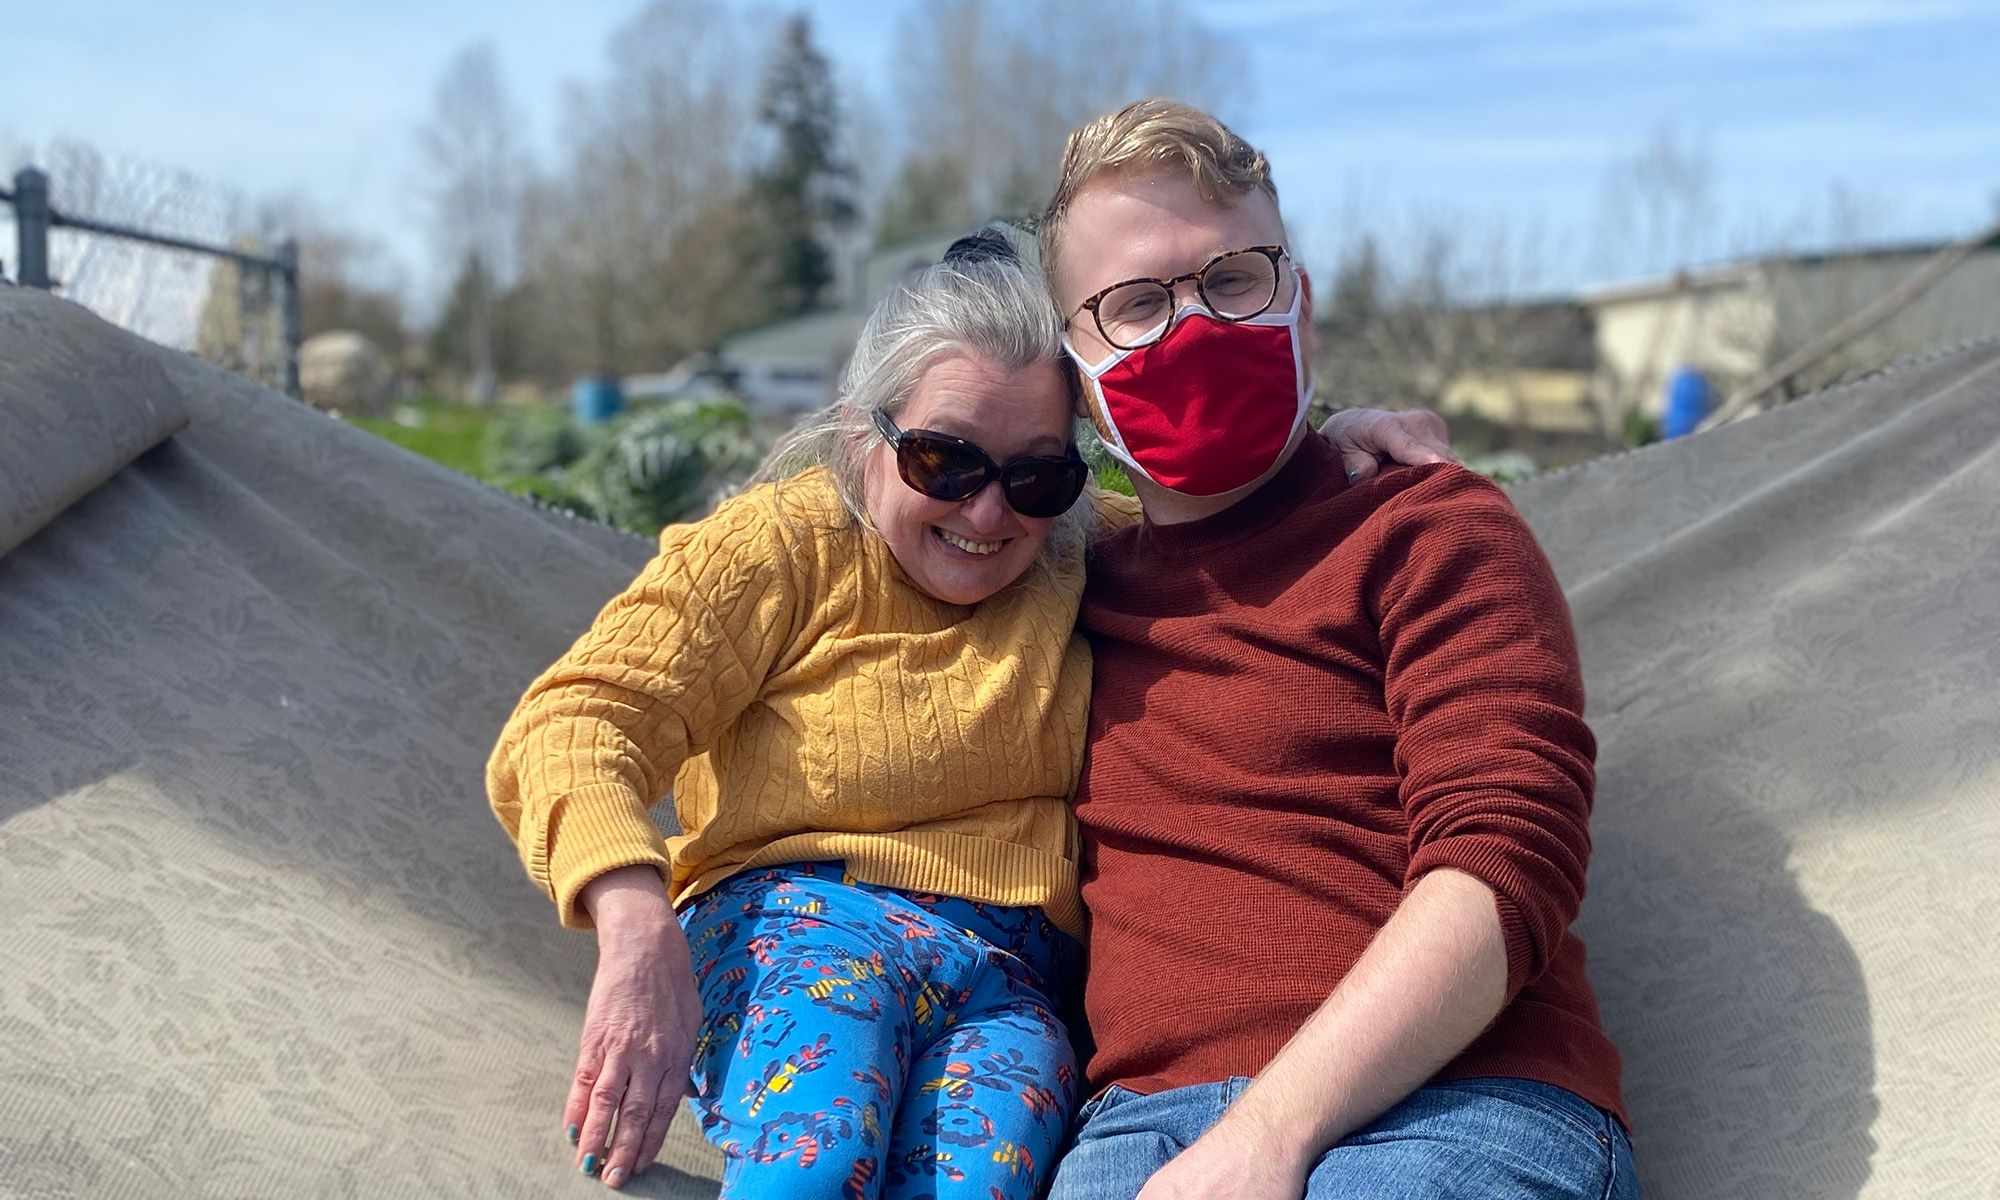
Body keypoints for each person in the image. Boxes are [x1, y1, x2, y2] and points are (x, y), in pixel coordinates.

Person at [486, 231, 1451, 1196]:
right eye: (944, 462)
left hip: (1009, 980)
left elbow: (1241, 525)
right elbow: (577, 721)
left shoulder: (1081, 550)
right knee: (814, 1169)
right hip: (801, 921)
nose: (988, 515)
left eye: (1036, 473)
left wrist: (1331, 445)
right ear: (865, 435)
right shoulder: (782, 546)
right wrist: (634, 919)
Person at [1038, 100, 1635, 1200]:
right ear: (1073, 377)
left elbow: (1506, 857)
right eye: (1132, 306)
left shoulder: (1426, 527)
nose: (1192, 330)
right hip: (1132, 1138)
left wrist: (1271, 1133)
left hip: (1455, 1104)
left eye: (1230, 280)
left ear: (1298, 306)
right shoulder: (1054, 592)